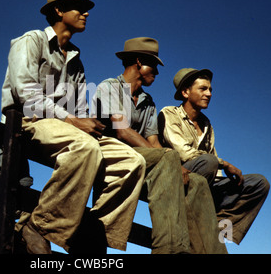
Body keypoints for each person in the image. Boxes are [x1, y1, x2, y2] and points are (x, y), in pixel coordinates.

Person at [1, 0, 146, 254]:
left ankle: (88, 230)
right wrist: (72, 121)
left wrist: (85, 122)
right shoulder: (30, 41)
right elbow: (26, 95)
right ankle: (40, 225)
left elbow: (78, 109)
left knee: (132, 161)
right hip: (29, 120)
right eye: (79, 8)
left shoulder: (76, 59)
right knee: (85, 147)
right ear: (59, 10)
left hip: (63, 125)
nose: (86, 13)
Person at [91, 37, 227, 254]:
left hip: (141, 160)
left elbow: (153, 141)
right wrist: (170, 160)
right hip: (112, 158)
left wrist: (175, 165)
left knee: (199, 183)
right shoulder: (109, 87)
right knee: (168, 157)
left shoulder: (147, 101)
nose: (156, 71)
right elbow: (122, 130)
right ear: (138, 62)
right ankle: (169, 249)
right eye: (153, 65)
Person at [158, 68, 270, 244]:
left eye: (210, 90)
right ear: (185, 92)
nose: (209, 94)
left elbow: (212, 160)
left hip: (205, 183)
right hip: (177, 180)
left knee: (258, 183)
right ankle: (195, 225)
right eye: (203, 89)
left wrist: (223, 178)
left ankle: (217, 229)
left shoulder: (206, 124)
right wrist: (223, 163)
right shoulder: (169, 113)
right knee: (209, 162)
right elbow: (184, 153)